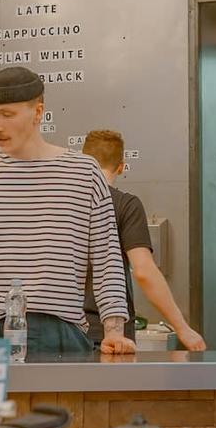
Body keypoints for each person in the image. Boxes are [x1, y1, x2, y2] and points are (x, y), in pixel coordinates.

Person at [0, 67, 135, 356]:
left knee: (63, 404)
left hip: (62, 330)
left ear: (37, 112)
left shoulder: (83, 172)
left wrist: (114, 331)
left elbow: (107, 258)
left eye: (7, 114)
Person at [81, 130, 207, 351]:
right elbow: (144, 271)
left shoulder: (63, 202)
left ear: (82, 161)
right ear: (121, 166)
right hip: (111, 335)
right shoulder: (126, 205)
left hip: (66, 331)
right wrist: (182, 328)